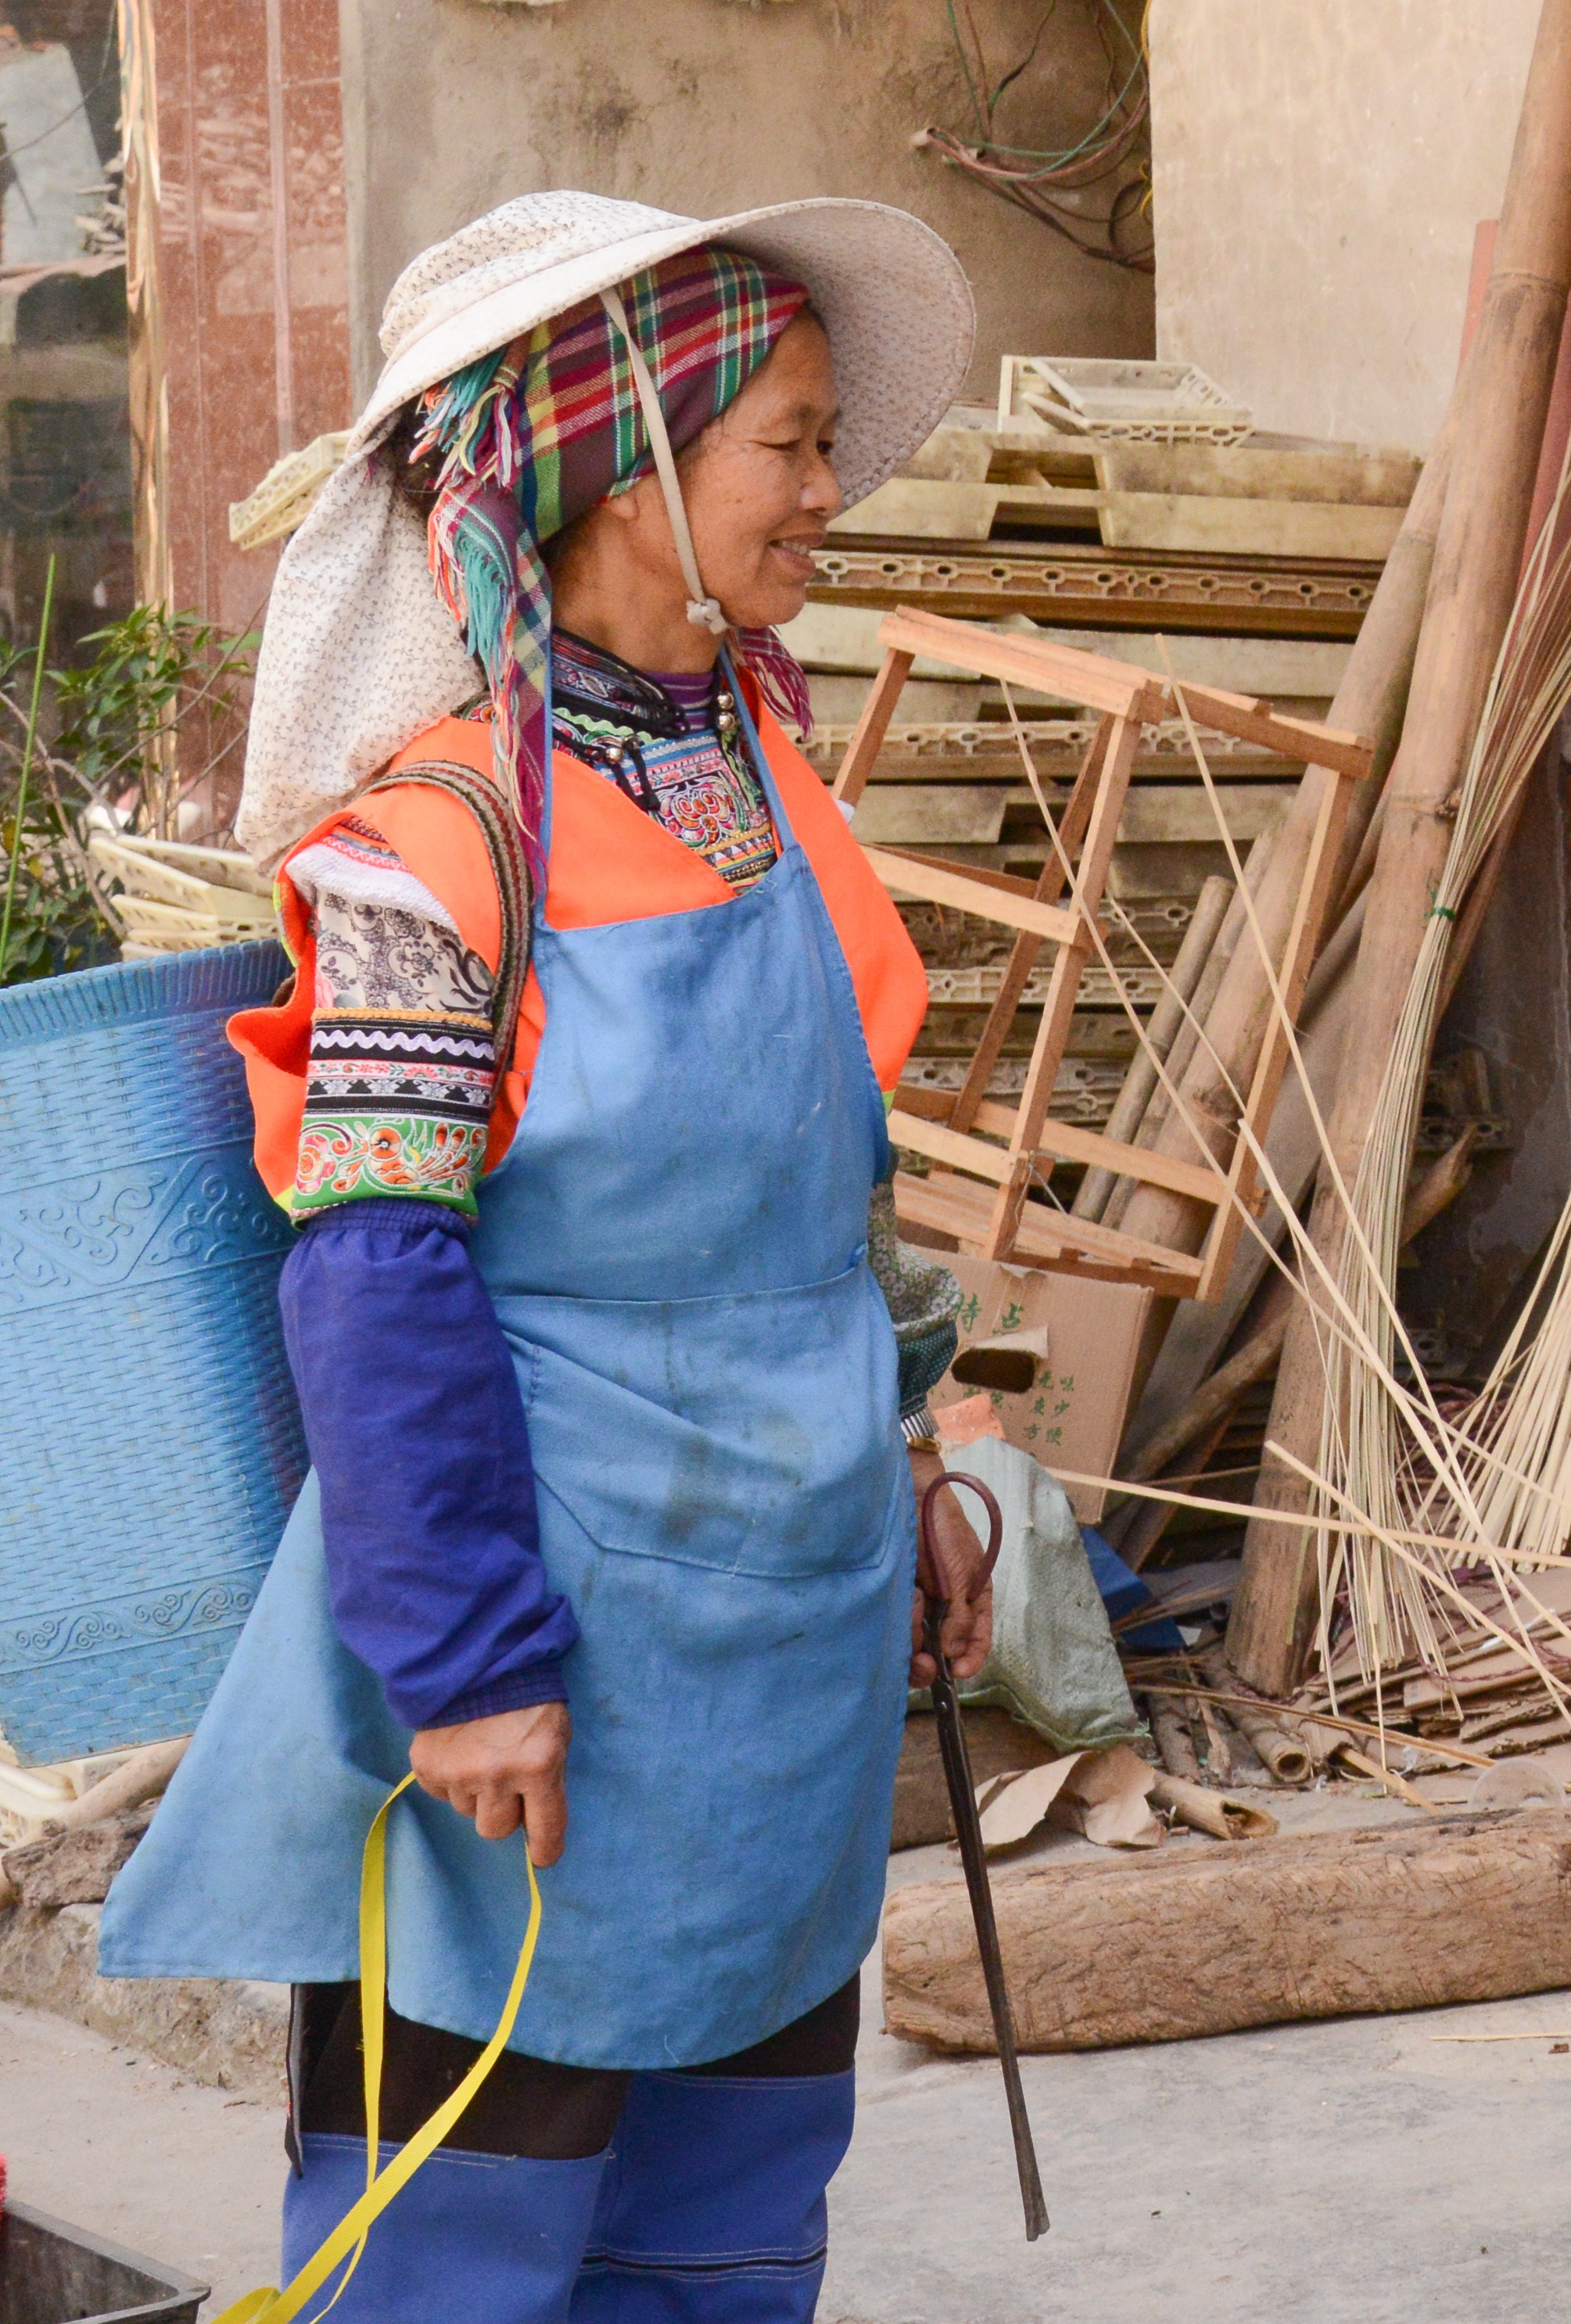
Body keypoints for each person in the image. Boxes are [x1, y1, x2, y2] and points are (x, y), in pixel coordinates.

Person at [101, 190, 995, 2320]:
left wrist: (925, 1447)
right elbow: (375, 1273)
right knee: (469, 2243)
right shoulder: (438, 850)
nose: (825, 488)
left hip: (778, 1636)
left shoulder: (762, 774)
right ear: (625, 461)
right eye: (783, 440)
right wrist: (469, 1657)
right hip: (552, 1637)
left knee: (733, 2217)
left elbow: (828, 1195)